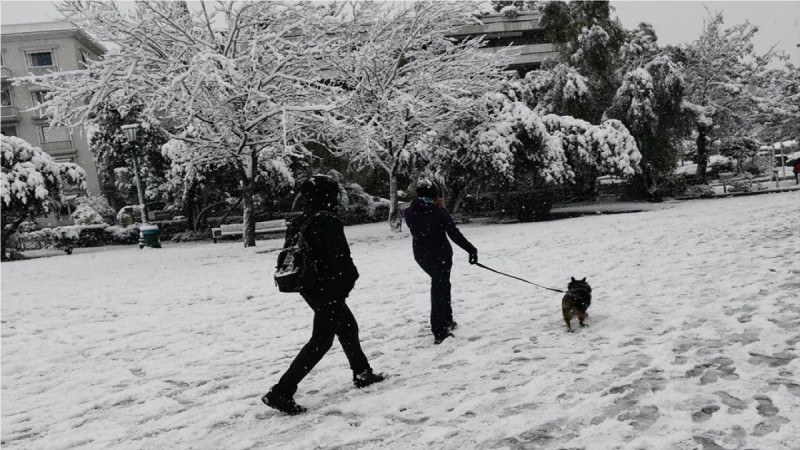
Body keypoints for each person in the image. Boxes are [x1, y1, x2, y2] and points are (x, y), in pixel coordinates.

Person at [263, 175, 385, 415]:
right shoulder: (328, 221)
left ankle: (362, 372)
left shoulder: (299, 221)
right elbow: (341, 259)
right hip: (328, 287)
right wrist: (348, 281)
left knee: (347, 327)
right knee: (321, 340)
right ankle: (282, 391)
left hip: (308, 286)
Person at [403, 179, 478, 345]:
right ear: (434, 194)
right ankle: (439, 330)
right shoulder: (438, 212)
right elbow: (454, 234)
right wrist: (471, 250)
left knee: (442, 285)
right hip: (441, 255)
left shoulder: (409, 212)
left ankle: (447, 319)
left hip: (422, 256)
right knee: (439, 288)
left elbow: (422, 222)